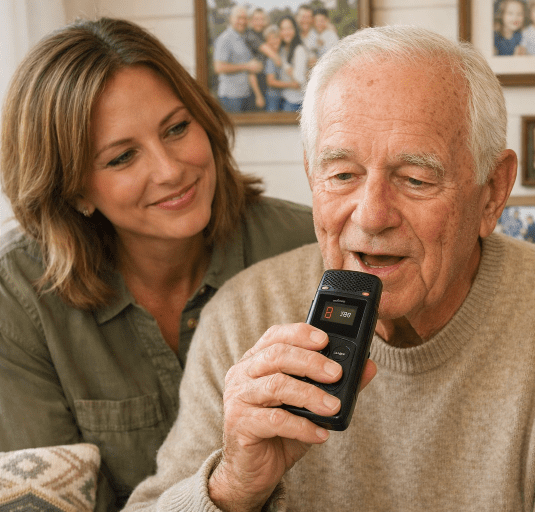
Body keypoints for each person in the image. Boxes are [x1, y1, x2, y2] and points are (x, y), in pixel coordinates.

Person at [124, 25, 535, 512]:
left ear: (492, 192)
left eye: (415, 179)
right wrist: (233, 488)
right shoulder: (243, 315)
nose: (372, 216)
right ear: (311, 176)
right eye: (342, 175)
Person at [0, 17, 316, 511]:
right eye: (123, 157)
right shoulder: (17, 298)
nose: (170, 171)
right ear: (73, 189)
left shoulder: (307, 245)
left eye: (176, 128)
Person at [213, 5, 263, 112]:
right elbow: (219, 67)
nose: (242, 21)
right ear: (231, 19)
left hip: (245, 94)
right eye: (239, 18)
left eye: (245, 18)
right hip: (231, 97)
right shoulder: (225, 39)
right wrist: (247, 66)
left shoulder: (244, 37)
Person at [244, 7, 283, 111]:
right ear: (251, 20)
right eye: (256, 19)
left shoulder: (264, 34)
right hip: (255, 84)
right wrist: (258, 95)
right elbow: (251, 71)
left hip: (266, 81)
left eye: (262, 19)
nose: (259, 22)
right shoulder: (250, 35)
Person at [276, 15, 309, 112]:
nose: (286, 32)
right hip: (284, 98)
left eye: (289, 28)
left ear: (295, 30)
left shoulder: (299, 49)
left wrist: (286, 66)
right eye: (283, 29)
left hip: (295, 102)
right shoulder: (282, 49)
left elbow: (299, 79)